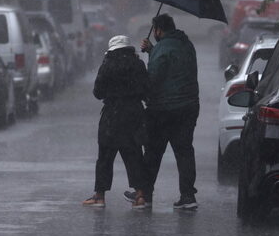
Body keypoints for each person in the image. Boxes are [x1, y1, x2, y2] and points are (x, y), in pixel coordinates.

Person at [125, 13, 200, 210]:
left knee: (153, 152)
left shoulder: (162, 49)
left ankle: (145, 194)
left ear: (158, 30)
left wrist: (142, 65)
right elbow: (173, 66)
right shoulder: (186, 45)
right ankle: (188, 195)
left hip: (163, 111)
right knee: (184, 152)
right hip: (189, 108)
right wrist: (152, 51)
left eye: (155, 31)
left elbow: (153, 79)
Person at [82, 35, 150, 209]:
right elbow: (146, 91)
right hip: (134, 115)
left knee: (105, 157)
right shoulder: (138, 64)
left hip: (112, 115)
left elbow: (98, 92)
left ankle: (100, 197)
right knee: (134, 155)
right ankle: (141, 196)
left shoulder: (107, 65)